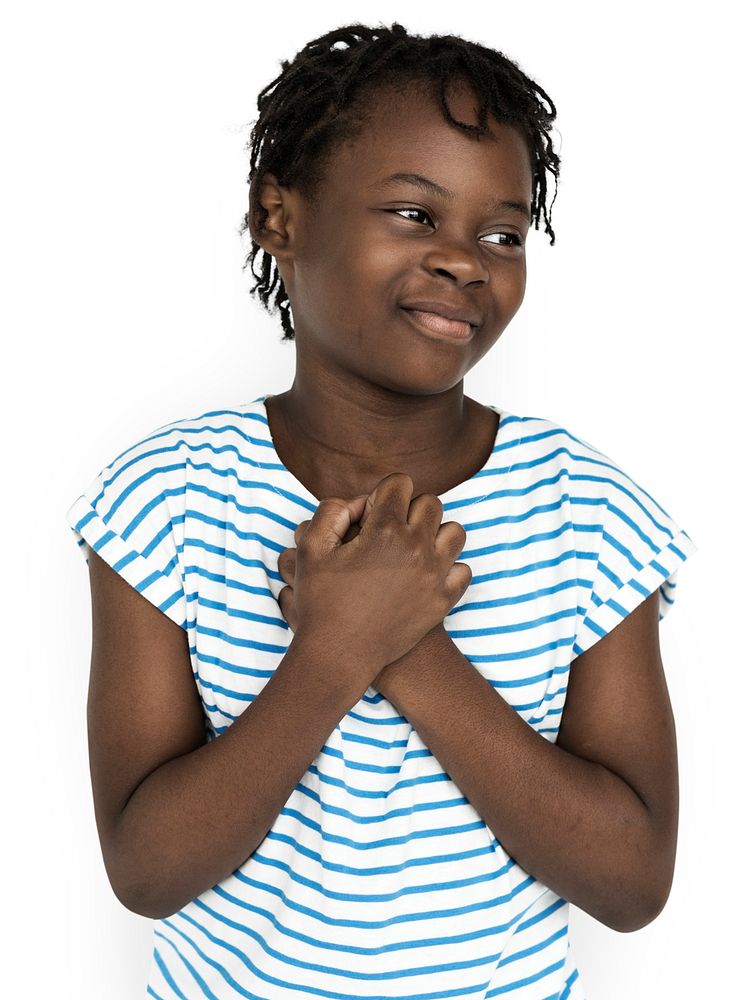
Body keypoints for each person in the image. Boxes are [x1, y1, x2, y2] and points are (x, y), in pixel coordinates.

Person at [65, 21, 697, 999]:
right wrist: (328, 656)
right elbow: (145, 869)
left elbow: (633, 880)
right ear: (278, 216)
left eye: (503, 234)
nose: (464, 260)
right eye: (413, 212)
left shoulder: (591, 514)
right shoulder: (166, 498)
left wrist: (407, 646)